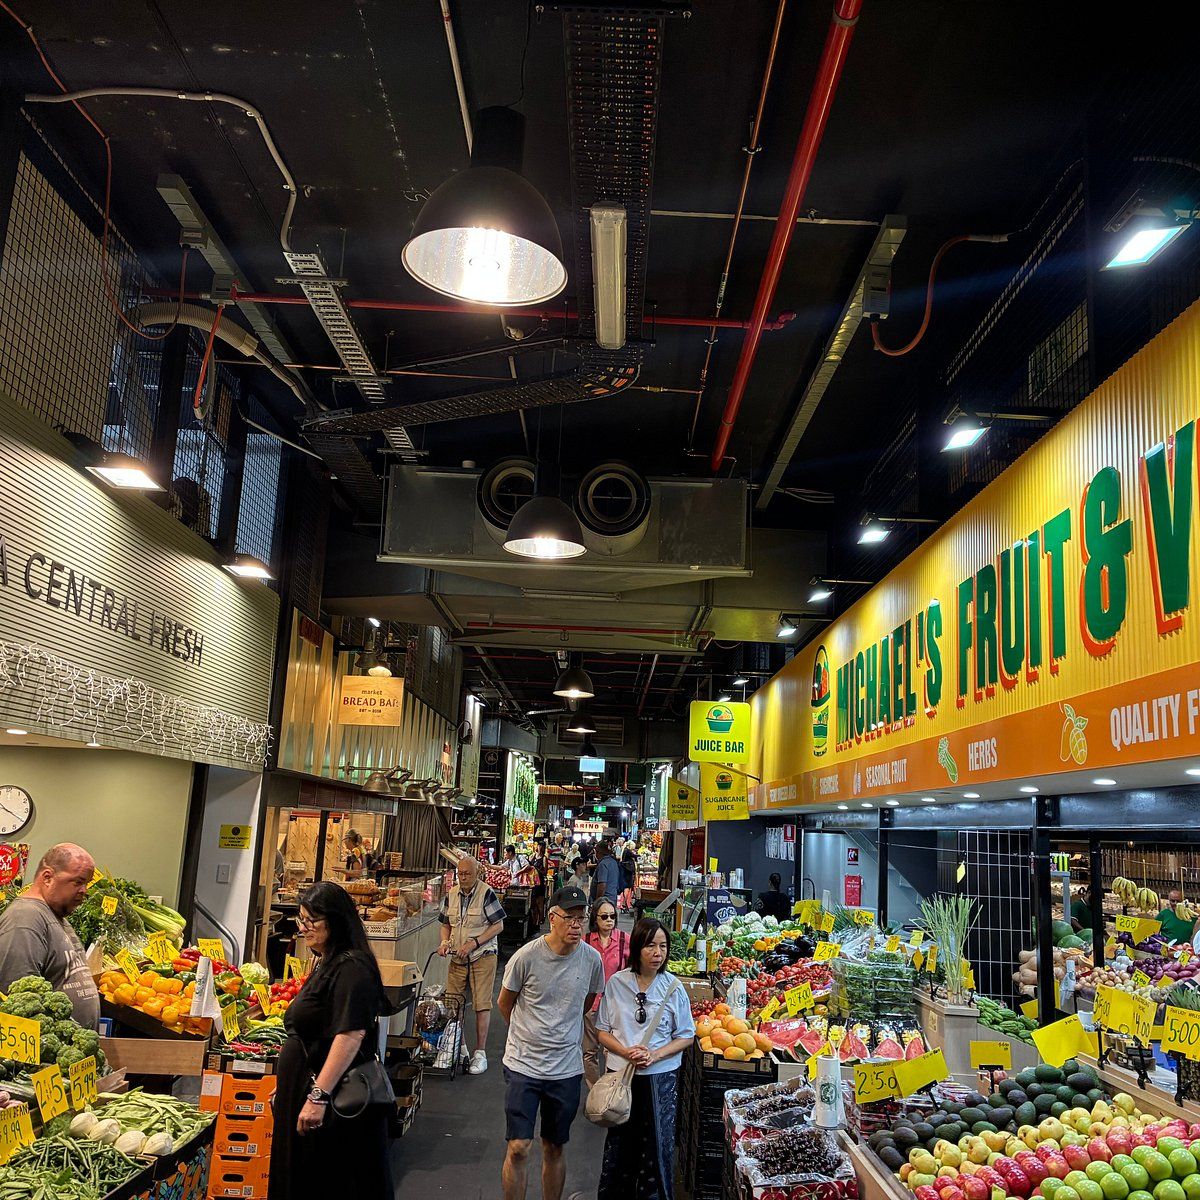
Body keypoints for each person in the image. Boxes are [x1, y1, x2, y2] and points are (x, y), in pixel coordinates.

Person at [269, 881, 392, 1200]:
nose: (303, 928)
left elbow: (350, 1036)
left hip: (333, 1102)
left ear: (336, 921)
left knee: (328, 1182)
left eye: (311, 921)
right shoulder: (329, 962)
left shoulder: (351, 967)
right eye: (301, 920)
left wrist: (318, 1096)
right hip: (308, 1088)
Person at [498, 886, 604, 1200]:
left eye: (581, 919)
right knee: (518, 1148)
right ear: (552, 918)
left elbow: (586, 1002)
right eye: (569, 918)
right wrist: (528, 1035)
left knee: (554, 1146)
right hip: (524, 1064)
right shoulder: (526, 957)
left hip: (565, 1069)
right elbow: (505, 1003)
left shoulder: (591, 960)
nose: (576, 925)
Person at [595, 918, 695, 1200]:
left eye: (663, 946)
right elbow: (602, 1030)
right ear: (637, 947)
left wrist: (655, 1054)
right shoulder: (617, 983)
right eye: (651, 945)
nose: (657, 953)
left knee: (657, 1146)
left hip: (660, 1079)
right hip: (620, 1079)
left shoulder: (673, 988)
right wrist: (626, 1052)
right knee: (620, 1146)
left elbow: (686, 1035)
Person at [0, 843, 99, 1026]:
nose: (84, 891)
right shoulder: (25, 919)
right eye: (78, 882)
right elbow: (19, 1002)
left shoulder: (54, 913)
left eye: (86, 883)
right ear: (47, 877)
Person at [438, 855, 506, 1075]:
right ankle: (460, 1048)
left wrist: (475, 942)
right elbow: (446, 924)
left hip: (482, 955)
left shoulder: (486, 893)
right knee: (453, 1002)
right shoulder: (451, 894)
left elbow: (498, 926)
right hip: (457, 956)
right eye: (460, 873)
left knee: (481, 1003)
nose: (463, 877)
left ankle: (480, 1052)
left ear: (477, 873)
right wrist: (444, 942)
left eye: (467, 873)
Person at [583, 898, 628, 1087]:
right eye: (604, 916)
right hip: (591, 1004)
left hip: (615, 1006)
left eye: (612, 916)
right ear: (596, 918)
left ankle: (612, 1091)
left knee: (613, 1051)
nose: (609, 920)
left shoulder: (625, 940)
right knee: (589, 1052)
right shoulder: (585, 942)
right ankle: (595, 1091)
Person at [592, 838, 622, 903]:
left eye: (596, 851)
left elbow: (602, 885)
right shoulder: (613, 862)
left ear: (599, 852)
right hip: (612, 898)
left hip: (604, 901)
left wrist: (597, 902)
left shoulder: (603, 864)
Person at [619, 838, 638, 912]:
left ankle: (624, 904)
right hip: (628, 873)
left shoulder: (625, 850)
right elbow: (635, 856)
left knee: (627, 887)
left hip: (626, 871)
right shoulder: (628, 851)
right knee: (627, 887)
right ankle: (624, 904)